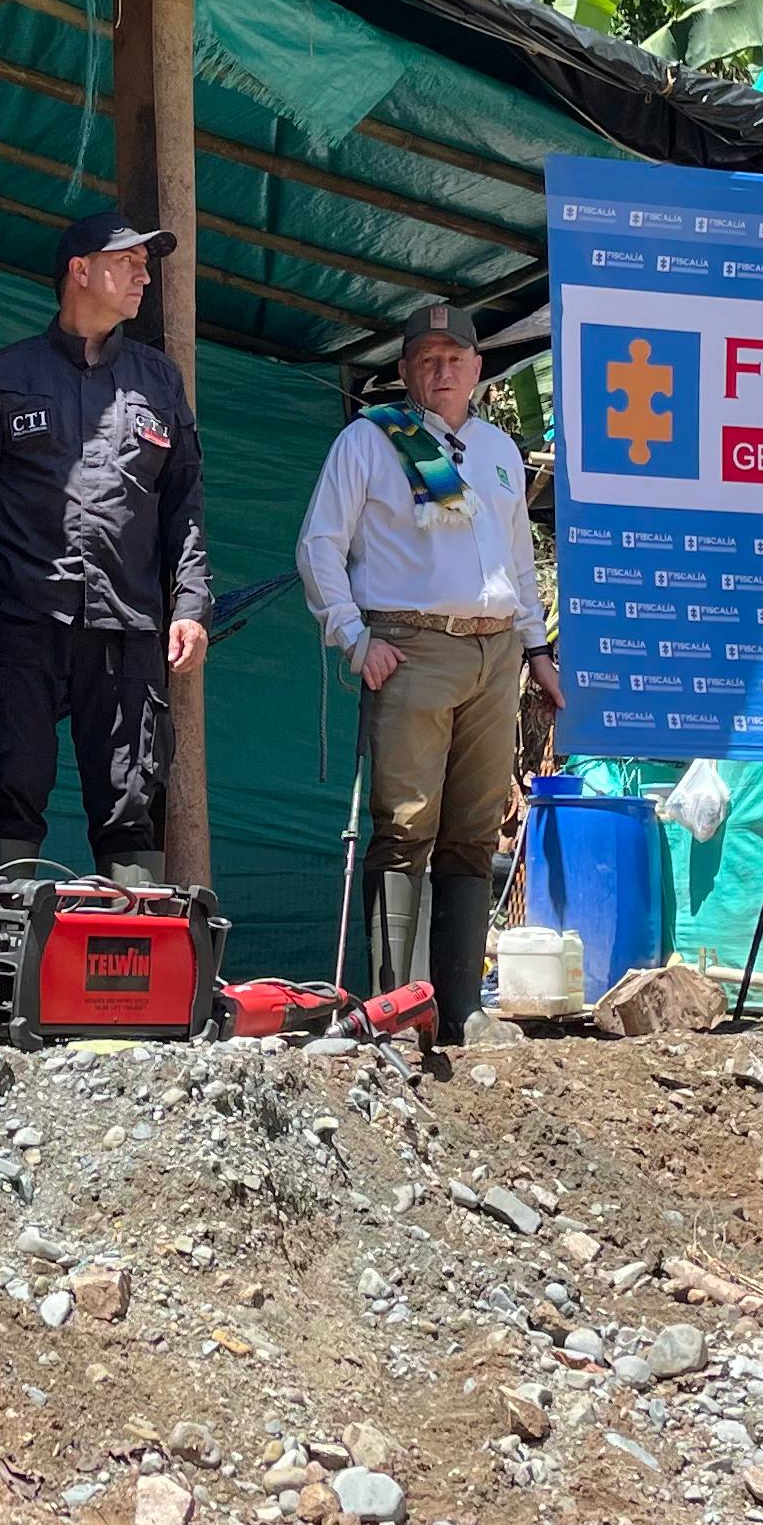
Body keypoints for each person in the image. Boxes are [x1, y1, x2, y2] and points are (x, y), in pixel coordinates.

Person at [297, 301, 559, 1040]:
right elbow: (319, 545)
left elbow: (515, 564)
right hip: (411, 646)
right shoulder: (372, 441)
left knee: (473, 832)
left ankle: (463, 1012)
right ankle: (397, 1012)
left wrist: (537, 653)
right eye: (427, 360)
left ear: (479, 371)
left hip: (494, 652)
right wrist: (353, 637)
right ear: (407, 370)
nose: (442, 371)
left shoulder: (501, 451)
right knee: (406, 826)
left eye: (455, 359)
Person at [0, 209, 210, 885]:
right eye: (128, 262)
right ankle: (6, 963)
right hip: (23, 619)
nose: (144, 275)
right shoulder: (6, 373)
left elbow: (187, 504)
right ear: (79, 272)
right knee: (12, 786)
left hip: (128, 625)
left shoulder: (159, 379)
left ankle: (132, 967)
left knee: (128, 799)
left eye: (148, 264)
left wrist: (192, 603)